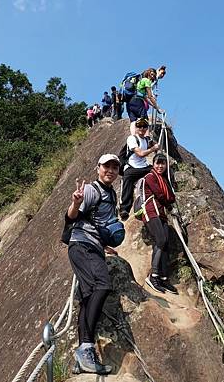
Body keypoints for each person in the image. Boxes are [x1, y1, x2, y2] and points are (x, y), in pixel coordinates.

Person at [66, 154, 122, 375]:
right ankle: (85, 350)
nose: (110, 170)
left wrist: (105, 245)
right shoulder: (91, 190)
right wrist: (76, 202)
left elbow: (98, 223)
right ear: (98, 168)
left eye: (115, 167)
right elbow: (71, 217)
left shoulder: (111, 193)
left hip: (93, 246)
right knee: (102, 285)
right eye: (106, 166)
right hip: (82, 245)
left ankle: (84, 355)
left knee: (88, 298)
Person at [142, 153, 177, 294]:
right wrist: (168, 200)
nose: (160, 166)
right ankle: (153, 276)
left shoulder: (164, 179)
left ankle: (163, 278)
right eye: (158, 163)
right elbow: (161, 195)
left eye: (163, 163)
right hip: (151, 211)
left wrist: (169, 200)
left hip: (161, 214)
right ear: (153, 164)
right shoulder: (150, 177)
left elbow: (171, 196)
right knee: (161, 240)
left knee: (166, 243)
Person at [119, 117, 159, 221]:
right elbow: (140, 154)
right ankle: (124, 209)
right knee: (127, 180)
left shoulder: (146, 139)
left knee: (158, 173)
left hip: (144, 167)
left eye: (144, 126)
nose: (141, 128)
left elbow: (155, 146)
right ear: (136, 127)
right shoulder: (132, 138)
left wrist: (154, 145)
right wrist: (153, 148)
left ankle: (162, 198)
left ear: (147, 128)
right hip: (132, 167)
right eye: (139, 126)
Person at [127, 68, 164, 135]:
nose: (152, 76)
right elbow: (150, 96)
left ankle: (134, 137)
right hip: (137, 102)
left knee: (133, 121)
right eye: (152, 74)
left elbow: (145, 98)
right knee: (145, 120)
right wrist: (157, 107)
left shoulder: (140, 81)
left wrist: (153, 106)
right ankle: (147, 138)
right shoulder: (146, 81)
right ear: (148, 73)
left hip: (130, 102)